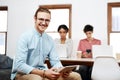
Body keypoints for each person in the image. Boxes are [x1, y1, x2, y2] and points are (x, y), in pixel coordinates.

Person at [11, 7, 82, 80]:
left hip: (43, 71)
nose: (44, 23)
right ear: (35, 19)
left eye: (47, 20)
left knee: (76, 76)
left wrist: (62, 70)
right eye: (41, 19)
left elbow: (55, 61)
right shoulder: (24, 37)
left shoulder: (50, 40)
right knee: (37, 79)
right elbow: (19, 65)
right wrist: (44, 73)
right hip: (23, 73)